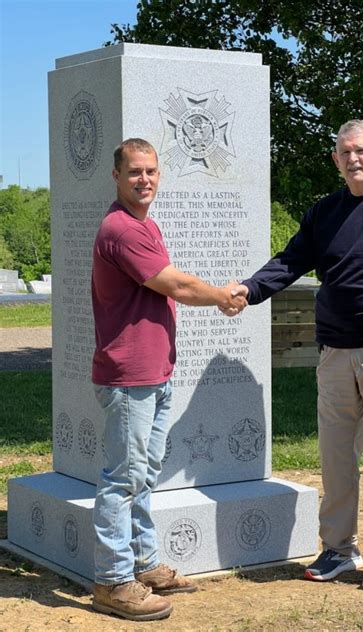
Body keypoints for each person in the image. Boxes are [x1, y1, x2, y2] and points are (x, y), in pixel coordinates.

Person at [227, 120, 363, 592]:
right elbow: (290, 261)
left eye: (361, 151)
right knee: (336, 458)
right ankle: (339, 549)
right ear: (335, 159)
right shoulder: (324, 212)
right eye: (345, 152)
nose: (353, 159)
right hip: (335, 354)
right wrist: (249, 288)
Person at [91, 138, 246, 621]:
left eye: (152, 171)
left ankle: (143, 563)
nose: (145, 180)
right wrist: (222, 295)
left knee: (143, 475)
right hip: (129, 376)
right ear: (116, 176)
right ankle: (114, 581)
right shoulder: (122, 229)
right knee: (122, 479)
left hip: (153, 372)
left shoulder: (145, 224)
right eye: (135, 172)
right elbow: (174, 284)